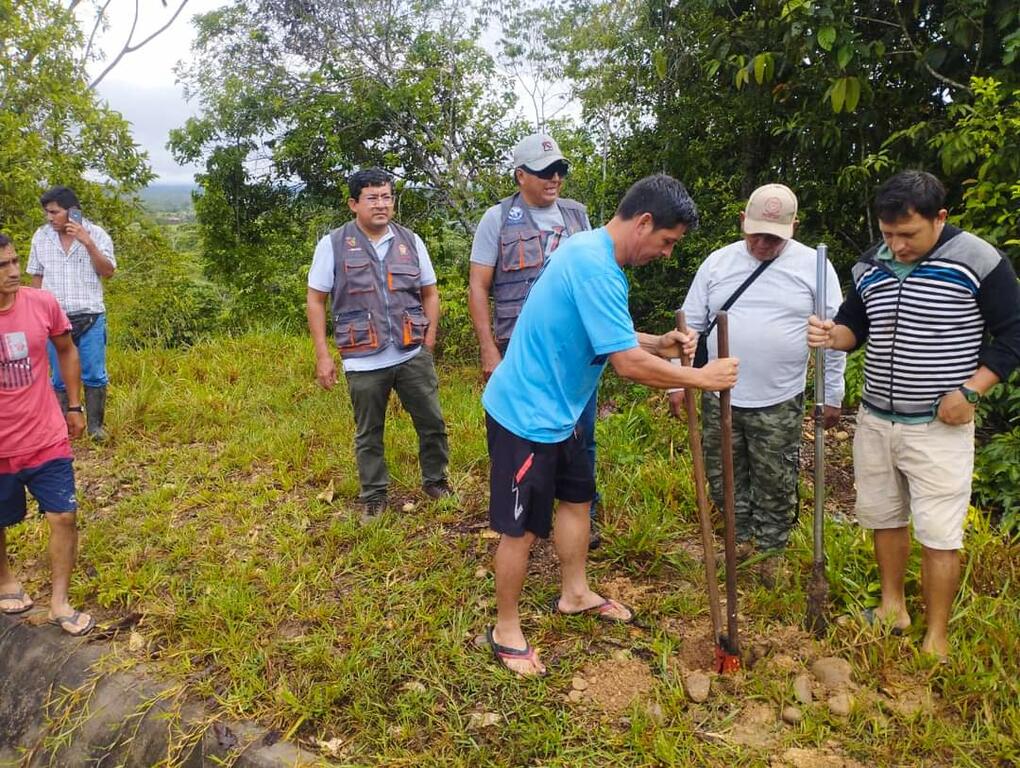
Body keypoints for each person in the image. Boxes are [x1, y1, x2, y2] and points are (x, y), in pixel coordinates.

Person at [481, 175, 739, 676]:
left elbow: (610, 333)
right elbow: (625, 364)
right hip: (527, 416)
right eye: (667, 242)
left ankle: (575, 593)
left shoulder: (591, 252)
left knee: (577, 500)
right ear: (644, 222)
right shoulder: (594, 264)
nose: (666, 254)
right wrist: (699, 377)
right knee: (520, 530)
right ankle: (505, 627)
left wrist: (659, 343)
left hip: (567, 410)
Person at [808, 171, 1020, 659]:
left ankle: (937, 636)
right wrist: (830, 335)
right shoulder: (869, 266)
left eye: (908, 234)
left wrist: (972, 389)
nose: (898, 246)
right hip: (878, 419)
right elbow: (854, 328)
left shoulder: (980, 261)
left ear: (939, 218)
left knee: (940, 531)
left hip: (938, 424)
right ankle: (892, 608)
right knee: (884, 516)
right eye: (888, 235)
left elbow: (1013, 335)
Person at [672, 184, 846, 584]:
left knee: (775, 479)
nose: (763, 243)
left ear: (793, 228)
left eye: (774, 236)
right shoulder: (718, 264)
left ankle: (770, 554)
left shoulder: (813, 268)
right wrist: (676, 382)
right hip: (721, 396)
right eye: (756, 233)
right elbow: (689, 326)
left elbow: (834, 337)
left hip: (779, 398)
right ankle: (739, 543)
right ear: (742, 223)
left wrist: (831, 395)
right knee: (723, 477)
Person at [468, 133, 605, 548]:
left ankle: (580, 514)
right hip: (520, 347)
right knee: (521, 437)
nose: (555, 179)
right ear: (520, 175)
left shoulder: (578, 216)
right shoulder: (498, 218)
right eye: (545, 172)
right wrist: (489, 348)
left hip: (575, 351)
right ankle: (524, 513)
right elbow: (478, 286)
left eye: (559, 170)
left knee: (582, 432)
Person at [306, 168, 452, 522]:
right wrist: (323, 356)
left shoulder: (410, 241)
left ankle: (436, 481)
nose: (382, 204)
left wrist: (427, 341)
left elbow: (430, 293)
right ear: (353, 204)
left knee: (431, 421)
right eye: (372, 198)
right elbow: (316, 299)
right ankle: (374, 496)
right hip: (362, 358)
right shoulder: (334, 245)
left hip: (410, 352)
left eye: (387, 196)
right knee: (369, 431)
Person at [0, 233, 94, 636]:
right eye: (2, 266)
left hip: (45, 434)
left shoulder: (41, 303)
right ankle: (5, 580)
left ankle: (60, 601)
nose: (14, 271)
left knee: (64, 515)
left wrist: (74, 405)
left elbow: (67, 348)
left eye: (15, 261)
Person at [27, 186, 116, 441]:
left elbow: (108, 271)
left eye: (54, 212)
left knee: (94, 373)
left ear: (71, 211)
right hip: (54, 318)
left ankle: (96, 427)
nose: (50, 217)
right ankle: (64, 425)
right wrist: (35, 312)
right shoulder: (41, 237)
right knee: (59, 377)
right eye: (47, 212)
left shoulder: (96, 234)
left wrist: (87, 242)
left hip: (90, 315)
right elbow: (37, 276)